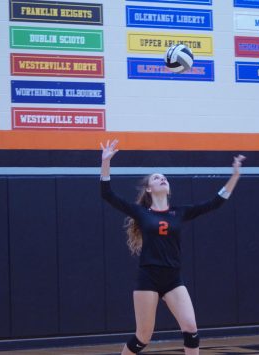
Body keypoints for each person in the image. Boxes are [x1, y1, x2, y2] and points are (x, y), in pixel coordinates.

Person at [100, 139, 245, 354]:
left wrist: (235, 176)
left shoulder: (180, 212)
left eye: (164, 177)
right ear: (149, 188)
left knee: (191, 329)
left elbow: (216, 202)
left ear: (168, 189)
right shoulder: (142, 213)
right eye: (156, 177)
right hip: (148, 277)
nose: (162, 179)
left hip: (173, 278)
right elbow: (107, 194)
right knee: (143, 337)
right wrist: (105, 163)